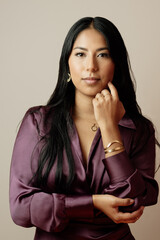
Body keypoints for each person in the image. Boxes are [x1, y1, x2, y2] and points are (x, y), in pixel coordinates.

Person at [9, 17, 159, 240]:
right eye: (80, 54)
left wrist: (109, 129)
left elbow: (130, 205)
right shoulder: (38, 122)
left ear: (115, 64)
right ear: (67, 64)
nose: (91, 66)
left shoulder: (139, 130)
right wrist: (93, 203)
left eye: (103, 54)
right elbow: (20, 208)